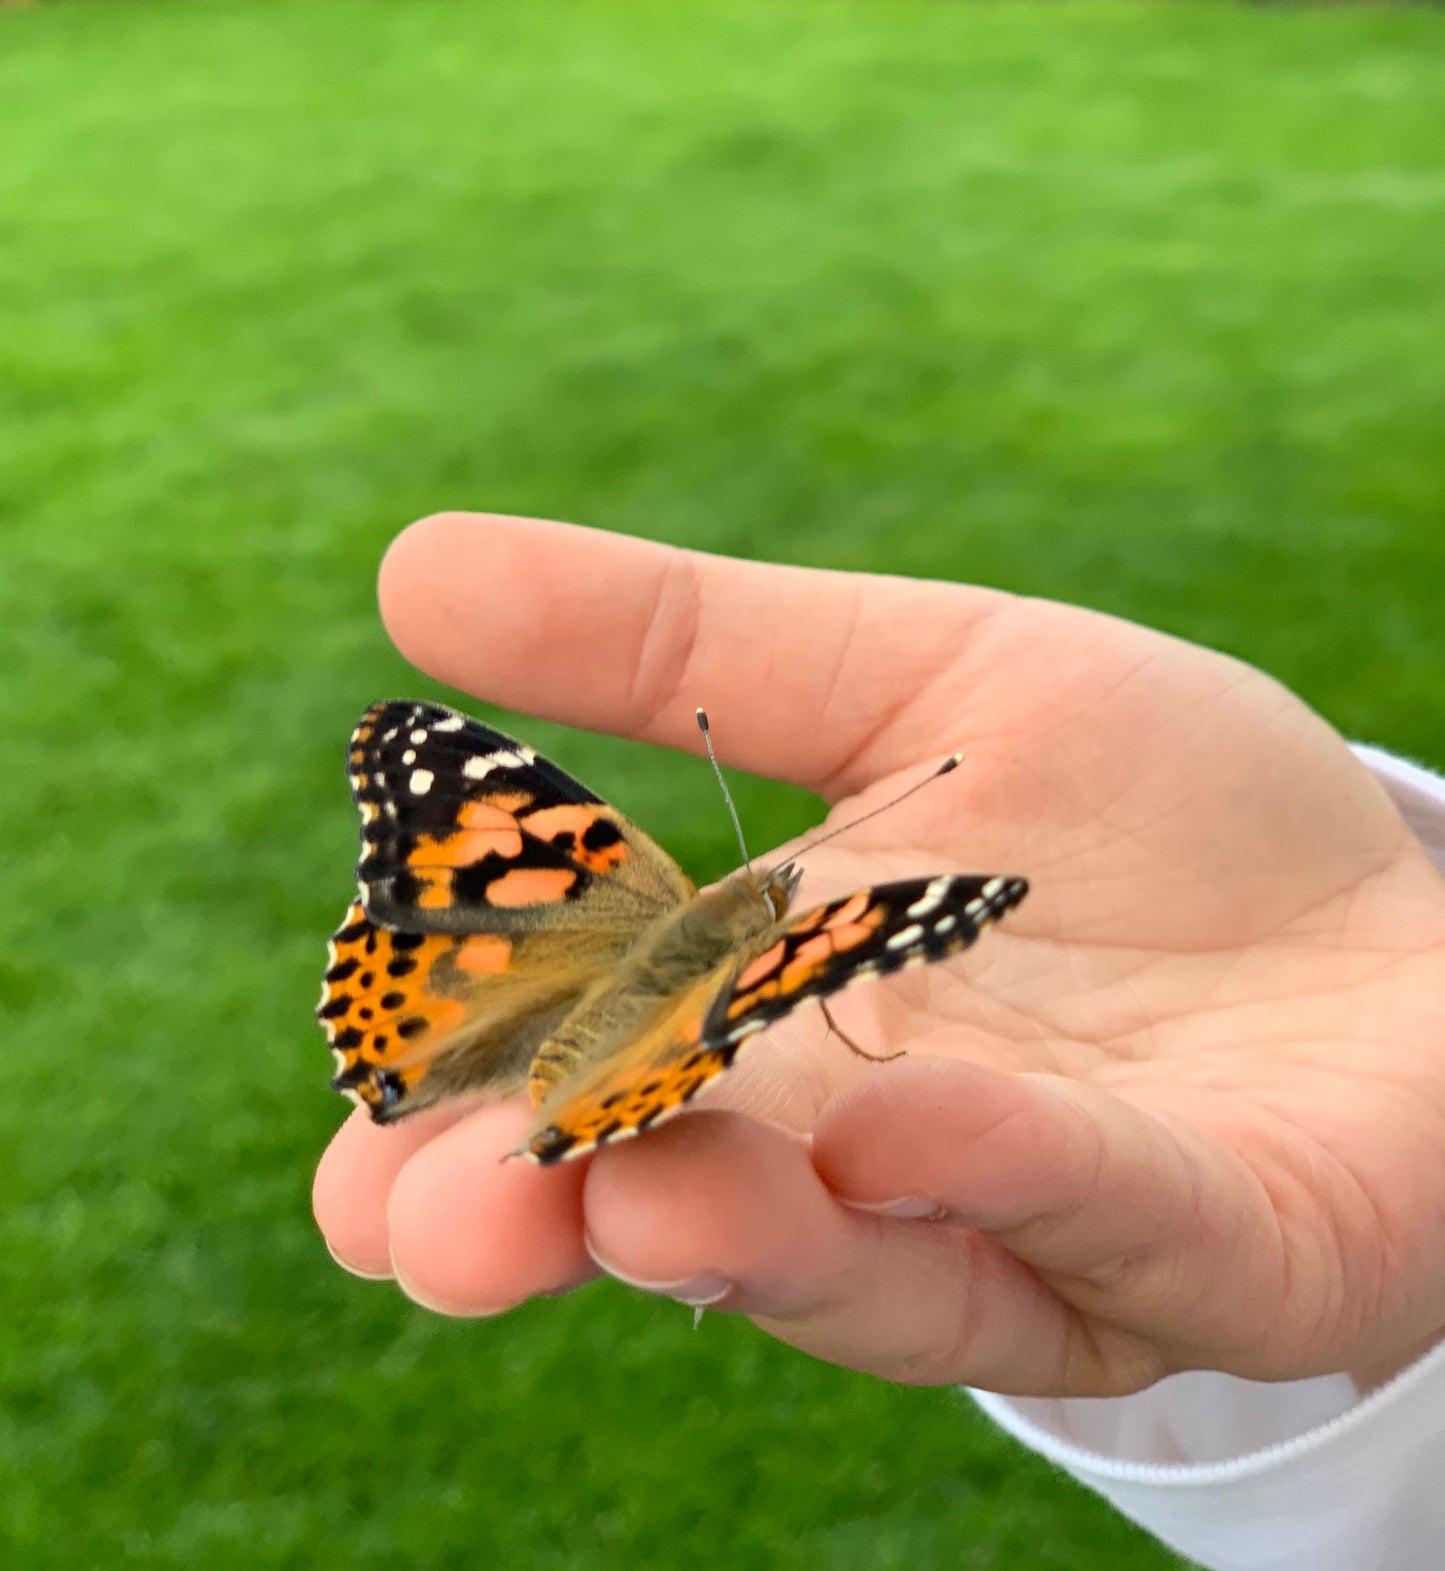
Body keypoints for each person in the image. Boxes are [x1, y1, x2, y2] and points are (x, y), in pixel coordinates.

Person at [313, 511, 1445, 1571]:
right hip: (641, 1044)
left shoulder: (640, 878)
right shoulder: (794, 942)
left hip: (498, 986)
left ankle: (433, 1056)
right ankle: (560, 1099)